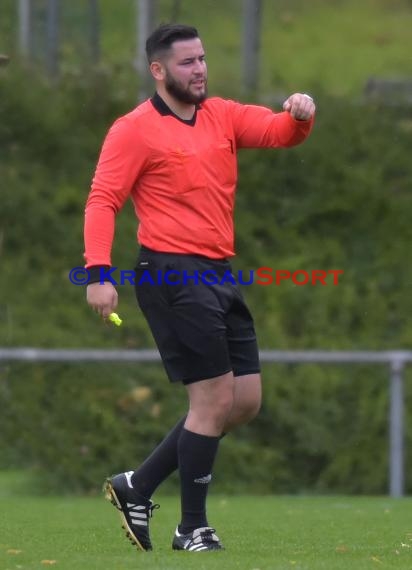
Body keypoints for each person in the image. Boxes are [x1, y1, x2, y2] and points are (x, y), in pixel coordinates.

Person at [83, 23, 315, 553]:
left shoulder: (222, 115)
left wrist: (301, 115)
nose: (200, 69)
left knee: (244, 401)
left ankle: (137, 485)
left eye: (203, 59)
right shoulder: (134, 129)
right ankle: (192, 527)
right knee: (211, 398)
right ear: (159, 70)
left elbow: (280, 131)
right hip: (170, 274)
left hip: (218, 273)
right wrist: (98, 273)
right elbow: (102, 201)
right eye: (187, 62)